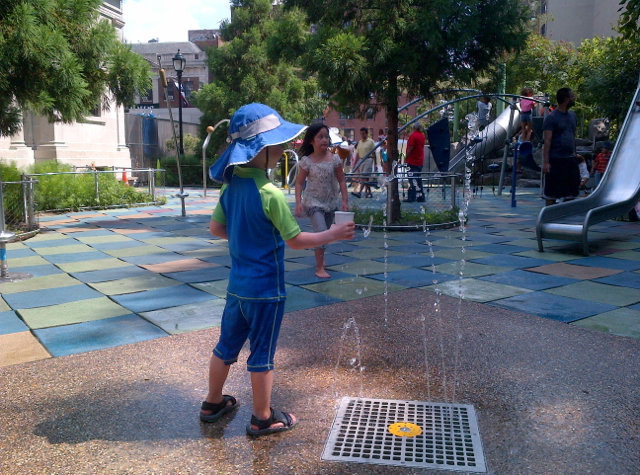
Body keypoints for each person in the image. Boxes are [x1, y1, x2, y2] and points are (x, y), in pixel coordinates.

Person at [203, 103, 355, 437]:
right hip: (266, 291)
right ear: (263, 150)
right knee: (262, 355)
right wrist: (331, 234)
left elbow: (216, 229)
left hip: (237, 287)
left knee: (225, 347)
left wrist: (245, 236)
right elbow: (297, 240)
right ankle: (262, 417)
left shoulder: (231, 188)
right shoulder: (269, 193)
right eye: (278, 146)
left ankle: (212, 402)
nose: (284, 150)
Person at [295, 123, 349, 279]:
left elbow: (342, 180)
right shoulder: (307, 161)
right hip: (313, 203)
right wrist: (299, 203)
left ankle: (321, 259)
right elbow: (299, 183)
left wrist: (345, 200)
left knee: (326, 233)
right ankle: (319, 267)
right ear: (311, 140)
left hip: (330, 203)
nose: (324, 140)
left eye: (326, 136)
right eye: (320, 137)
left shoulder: (335, 159)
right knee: (321, 232)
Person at [542, 87, 581, 206]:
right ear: (566, 99)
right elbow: (547, 140)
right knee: (552, 193)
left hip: (570, 159)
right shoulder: (552, 117)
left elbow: (572, 136)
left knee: (572, 191)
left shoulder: (573, 116)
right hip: (556, 159)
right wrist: (546, 162)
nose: (574, 98)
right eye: (572, 96)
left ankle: (564, 215)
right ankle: (548, 217)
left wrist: (574, 154)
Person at [404, 122, 426, 203]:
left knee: (412, 179)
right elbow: (415, 140)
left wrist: (406, 158)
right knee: (418, 179)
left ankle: (412, 197)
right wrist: (407, 135)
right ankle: (421, 196)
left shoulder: (413, 136)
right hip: (420, 160)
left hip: (412, 160)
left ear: (414, 127)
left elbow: (411, 148)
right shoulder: (422, 136)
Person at [351, 127, 375, 198]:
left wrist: (375, 163)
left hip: (368, 159)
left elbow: (373, 152)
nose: (362, 135)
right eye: (361, 134)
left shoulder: (371, 141)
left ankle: (360, 192)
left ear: (366, 133)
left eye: (363, 133)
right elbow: (358, 153)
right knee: (365, 178)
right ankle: (369, 192)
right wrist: (355, 163)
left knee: (364, 176)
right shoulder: (360, 142)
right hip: (361, 160)